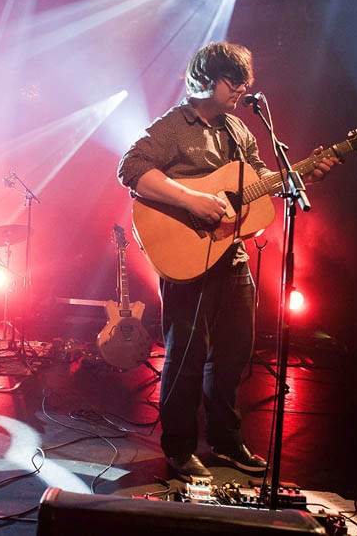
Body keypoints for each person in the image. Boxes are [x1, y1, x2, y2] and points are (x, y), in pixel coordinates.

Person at [117, 41, 339, 481]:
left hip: (230, 254)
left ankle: (226, 439)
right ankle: (180, 448)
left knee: (235, 351)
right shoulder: (172, 126)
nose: (241, 87)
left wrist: (299, 174)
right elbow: (130, 167)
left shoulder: (239, 129)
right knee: (186, 354)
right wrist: (193, 199)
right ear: (203, 79)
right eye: (231, 80)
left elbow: (259, 178)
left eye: (244, 81)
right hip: (186, 254)